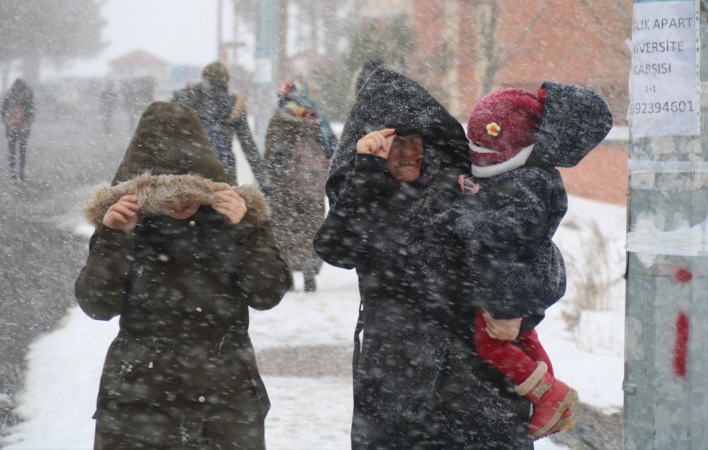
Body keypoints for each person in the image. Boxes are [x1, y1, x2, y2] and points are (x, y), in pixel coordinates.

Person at [314, 65, 532, 449]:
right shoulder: (367, 199)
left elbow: (530, 255)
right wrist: (366, 171)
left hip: (475, 377)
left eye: (417, 140)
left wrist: (521, 310)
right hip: (396, 380)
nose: (411, 152)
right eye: (396, 143)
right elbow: (335, 249)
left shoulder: (466, 192)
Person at [75, 101, 292, 449]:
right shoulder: (125, 222)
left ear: (204, 181)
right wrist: (115, 239)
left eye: (187, 190)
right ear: (144, 188)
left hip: (226, 401)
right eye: (165, 191)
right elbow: (98, 305)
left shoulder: (235, 218)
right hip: (140, 401)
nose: (178, 203)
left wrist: (245, 232)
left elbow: (267, 293)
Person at [455, 84, 613, 439]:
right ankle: (551, 394)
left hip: (513, 277)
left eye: (486, 150)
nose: (478, 157)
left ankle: (548, 394)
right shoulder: (517, 176)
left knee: (490, 341)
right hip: (509, 276)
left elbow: (516, 226)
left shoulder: (531, 181)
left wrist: (468, 220)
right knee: (524, 338)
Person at [264, 77, 337, 292]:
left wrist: (269, 177)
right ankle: (307, 261)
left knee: (284, 227)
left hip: (283, 184)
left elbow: (270, 152)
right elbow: (332, 147)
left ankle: (287, 266)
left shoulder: (280, 117)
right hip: (312, 184)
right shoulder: (316, 117)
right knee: (310, 226)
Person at [174, 61, 267, 187]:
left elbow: (171, 137)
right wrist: (264, 181)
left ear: (204, 77)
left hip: (190, 173)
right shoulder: (235, 104)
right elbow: (248, 145)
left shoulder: (187, 99)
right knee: (228, 204)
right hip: (224, 174)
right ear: (226, 81)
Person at [0, 78, 34, 182]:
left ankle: (13, 173)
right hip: (23, 127)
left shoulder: (9, 95)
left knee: (12, 151)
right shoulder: (27, 95)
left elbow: (2, 111)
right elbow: (31, 111)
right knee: (22, 151)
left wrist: (8, 121)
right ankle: (21, 172)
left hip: (11, 127)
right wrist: (27, 121)